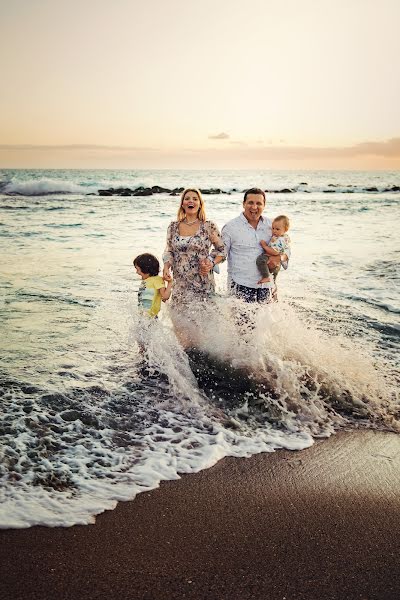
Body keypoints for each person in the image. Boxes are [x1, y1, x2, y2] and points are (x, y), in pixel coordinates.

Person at [162, 188, 226, 345]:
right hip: (180, 284)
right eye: (187, 198)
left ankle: (205, 359)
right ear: (182, 204)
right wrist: (166, 266)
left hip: (202, 283)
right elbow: (169, 250)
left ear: (200, 204)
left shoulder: (208, 226)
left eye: (195, 199)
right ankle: (187, 358)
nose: (191, 201)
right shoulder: (173, 227)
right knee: (180, 325)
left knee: (202, 326)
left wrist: (211, 262)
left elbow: (222, 250)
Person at [221, 188, 289, 304]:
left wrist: (279, 258)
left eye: (258, 203)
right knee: (240, 322)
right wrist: (209, 262)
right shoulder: (230, 227)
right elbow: (221, 253)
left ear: (264, 205)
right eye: (250, 203)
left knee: (268, 322)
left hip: (267, 286)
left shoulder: (272, 225)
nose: (254, 207)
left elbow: (286, 249)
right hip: (240, 285)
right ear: (243, 204)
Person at [133, 253, 172, 317]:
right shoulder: (147, 281)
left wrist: (170, 283)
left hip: (151, 318)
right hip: (143, 317)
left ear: (146, 270)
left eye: (138, 270)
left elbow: (165, 296)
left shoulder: (157, 280)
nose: (137, 272)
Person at [256, 215, 291, 284]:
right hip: (278, 264)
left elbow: (275, 252)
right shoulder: (284, 236)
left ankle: (266, 277)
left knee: (260, 260)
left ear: (285, 230)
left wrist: (265, 246)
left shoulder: (280, 240)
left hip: (273, 257)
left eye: (277, 229)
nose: (274, 231)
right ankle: (273, 282)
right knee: (274, 278)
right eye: (273, 228)